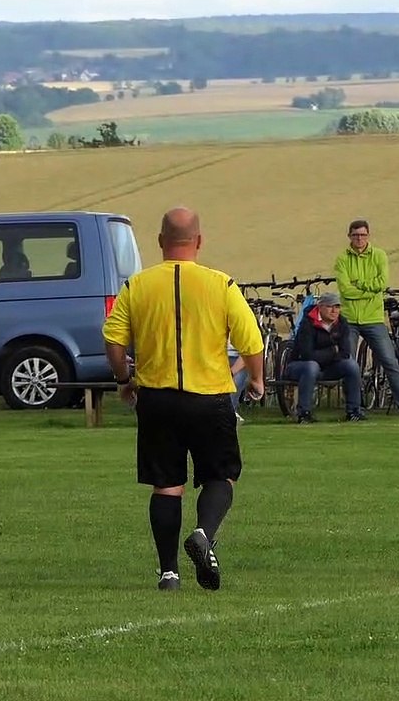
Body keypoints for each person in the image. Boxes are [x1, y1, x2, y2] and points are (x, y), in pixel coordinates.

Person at [103, 206, 265, 592]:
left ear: (160, 242)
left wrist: (126, 378)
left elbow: (113, 340)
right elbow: (252, 341)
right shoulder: (221, 284)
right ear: (199, 241)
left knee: (167, 485)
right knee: (220, 476)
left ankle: (168, 572)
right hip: (208, 396)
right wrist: (256, 378)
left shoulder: (137, 286)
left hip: (157, 397)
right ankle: (204, 533)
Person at [333, 219, 399, 418]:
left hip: (373, 318)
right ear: (349, 237)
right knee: (349, 364)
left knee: (390, 361)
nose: (359, 239)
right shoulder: (342, 259)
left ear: (368, 236)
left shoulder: (379, 256)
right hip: (350, 318)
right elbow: (345, 290)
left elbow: (382, 283)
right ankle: (354, 409)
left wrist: (359, 284)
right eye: (355, 235)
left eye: (362, 235)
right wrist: (368, 290)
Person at [283, 292, 364, 423]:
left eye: (337, 307)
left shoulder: (342, 323)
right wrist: (332, 351)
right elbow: (306, 355)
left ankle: (354, 411)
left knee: (351, 365)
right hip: (300, 366)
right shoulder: (307, 323)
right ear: (320, 307)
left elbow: (344, 352)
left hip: (328, 367)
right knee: (312, 366)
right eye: (330, 306)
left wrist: (325, 355)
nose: (334, 311)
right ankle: (304, 413)